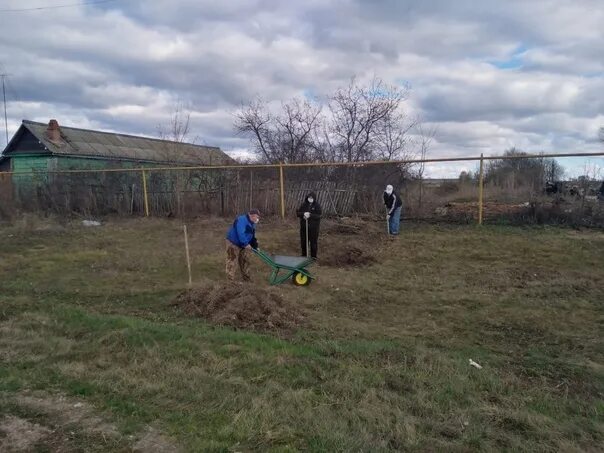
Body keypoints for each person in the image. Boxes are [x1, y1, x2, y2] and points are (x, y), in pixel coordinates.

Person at [225, 209, 260, 281]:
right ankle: (230, 281)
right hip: (233, 243)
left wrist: (255, 246)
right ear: (251, 215)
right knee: (232, 260)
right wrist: (246, 244)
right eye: (256, 217)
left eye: (258, 217)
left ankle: (246, 278)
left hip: (243, 244)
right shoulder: (241, 220)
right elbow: (240, 233)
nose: (257, 219)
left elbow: (252, 235)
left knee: (245, 260)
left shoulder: (252, 223)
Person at [296, 192, 322, 259]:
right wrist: (303, 214)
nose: (310, 199)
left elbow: (318, 216)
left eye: (311, 198)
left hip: (314, 228)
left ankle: (313, 257)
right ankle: (304, 255)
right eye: (309, 197)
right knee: (304, 241)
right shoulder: (304, 205)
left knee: (313, 242)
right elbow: (298, 213)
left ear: (314, 198)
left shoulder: (317, 206)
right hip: (304, 227)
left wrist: (310, 215)